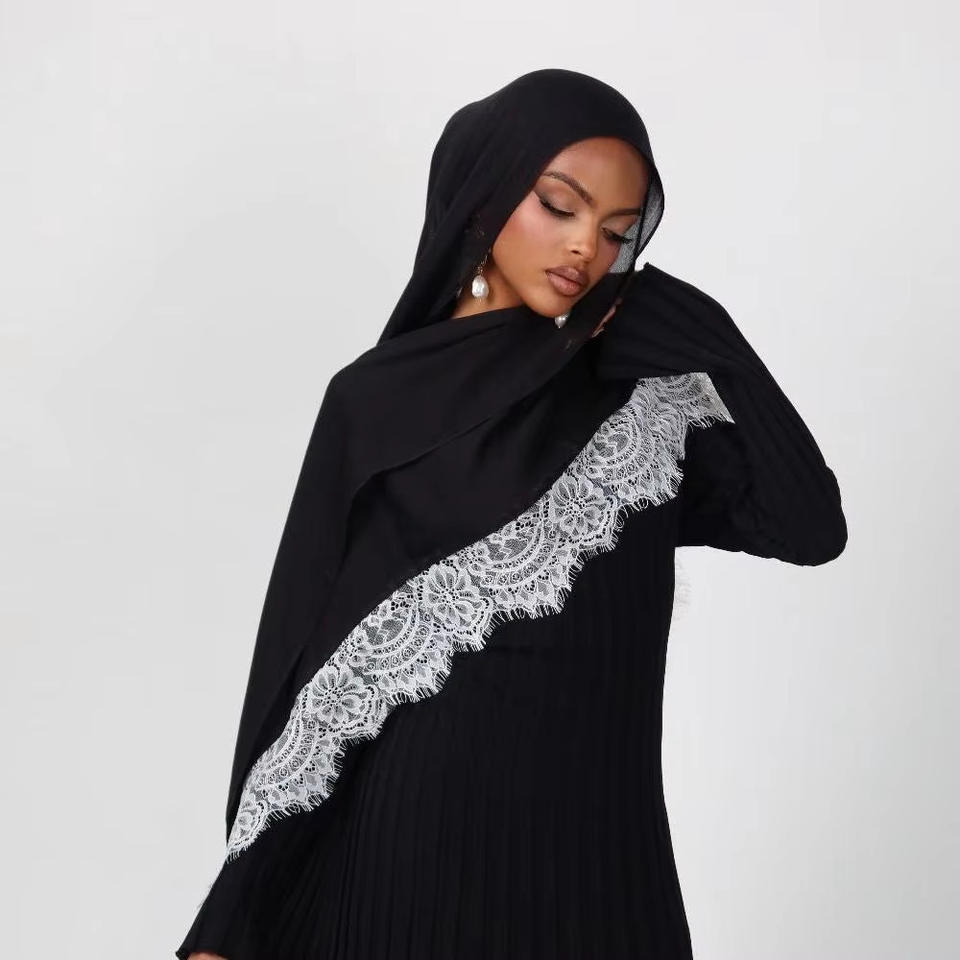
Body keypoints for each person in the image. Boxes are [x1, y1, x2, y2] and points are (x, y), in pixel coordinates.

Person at [177, 68, 847, 960]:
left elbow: (809, 527)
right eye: (559, 206)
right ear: (486, 194)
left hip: (604, 879)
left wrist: (708, 337)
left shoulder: (636, 406)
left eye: (618, 232)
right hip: (408, 875)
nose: (585, 248)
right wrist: (230, 924)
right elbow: (314, 683)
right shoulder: (375, 405)